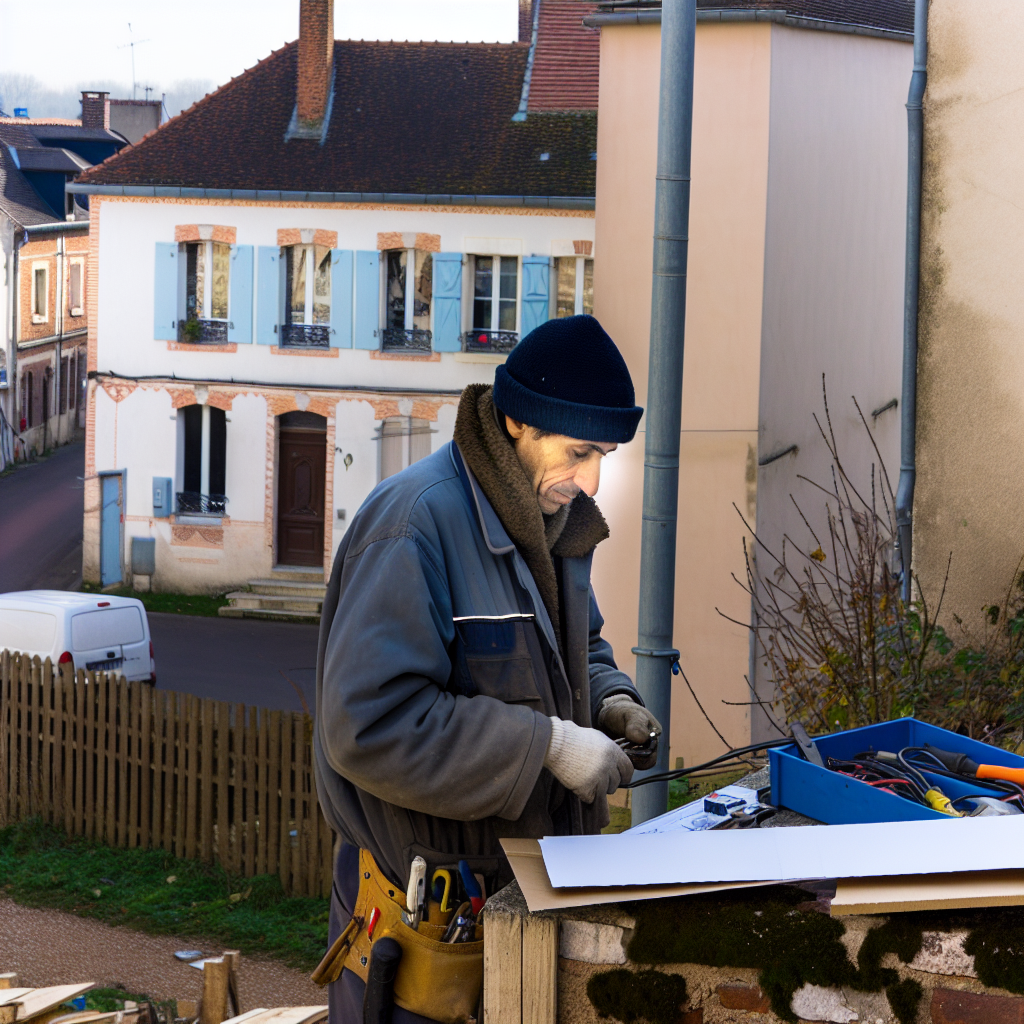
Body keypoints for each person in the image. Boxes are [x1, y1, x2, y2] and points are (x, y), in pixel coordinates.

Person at [313, 315, 662, 1023]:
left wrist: (610, 700)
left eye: (606, 455)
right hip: (420, 940)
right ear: (515, 424)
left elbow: (576, 653)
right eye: (579, 451)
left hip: (521, 908)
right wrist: (552, 748)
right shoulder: (413, 526)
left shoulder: (548, 519)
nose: (592, 478)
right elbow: (369, 726)